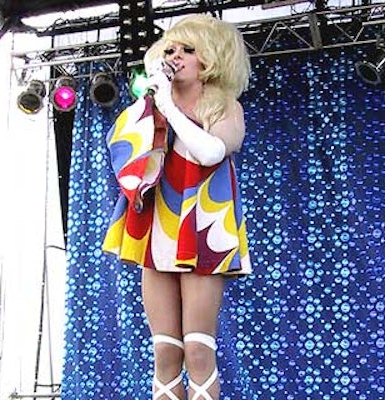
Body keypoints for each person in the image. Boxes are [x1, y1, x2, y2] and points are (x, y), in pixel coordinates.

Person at [103, 13, 251, 400]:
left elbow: (212, 151)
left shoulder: (224, 105)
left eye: (189, 49)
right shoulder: (148, 108)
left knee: (199, 350)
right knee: (165, 352)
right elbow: (122, 150)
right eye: (170, 49)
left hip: (203, 228)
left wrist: (169, 107)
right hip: (158, 228)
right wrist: (155, 103)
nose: (177, 56)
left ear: (210, 59)